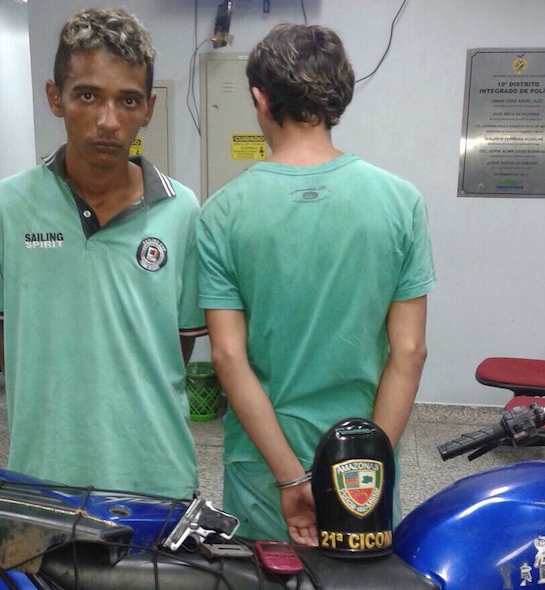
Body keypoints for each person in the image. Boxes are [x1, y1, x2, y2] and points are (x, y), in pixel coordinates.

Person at [196, 23, 436, 545]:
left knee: (266, 575)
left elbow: (228, 358)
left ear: (260, 98)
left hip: (263, 464)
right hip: (364, 464)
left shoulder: (221, 213)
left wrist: (291, 478)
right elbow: (409, 351)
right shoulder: (400, 203)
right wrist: (370, 464)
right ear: (337, 97)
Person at [0, 7, 206, 498]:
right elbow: (8, 343)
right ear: (54, 97)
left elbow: (175, 349)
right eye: (87, 96)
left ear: (148, 109)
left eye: (128, 100)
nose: (108, 121)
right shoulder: (4, 208)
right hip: (43, 473)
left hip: (157, 476)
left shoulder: (182, 210)